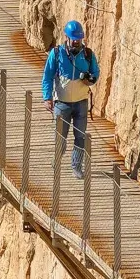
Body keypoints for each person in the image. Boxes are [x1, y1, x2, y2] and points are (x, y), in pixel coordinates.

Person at [40, 21, 99, 178]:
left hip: (81, 102)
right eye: (73, 39)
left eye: (78, 39)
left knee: (80, 136)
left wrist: (90, 80)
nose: (76, 41)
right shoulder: (57, 53)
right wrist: (47, 97)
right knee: (60, 136)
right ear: (66, 37)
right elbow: (47, 76)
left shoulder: (88, 54)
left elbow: (95, 73)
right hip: (62, 103)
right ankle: (57, 160)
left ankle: (76, 166)